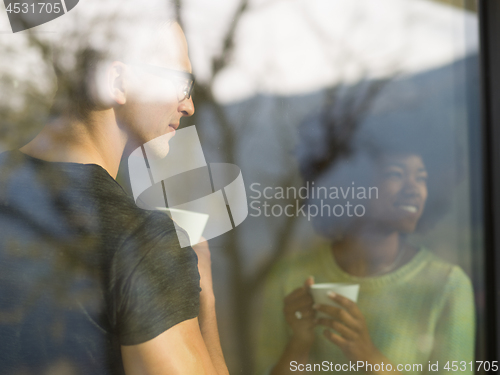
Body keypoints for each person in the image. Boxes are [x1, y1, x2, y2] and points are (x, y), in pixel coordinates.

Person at [0, 2, 229, 375]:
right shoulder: (141, 242)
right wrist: (206, 305)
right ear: (118, 82)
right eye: (180, 82)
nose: (187, 105)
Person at [255, 138, 475, 375]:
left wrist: (369, 356)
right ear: (354, 183)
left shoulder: (447, 285)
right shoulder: (290, 278)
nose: (414, 189)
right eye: (396, 174)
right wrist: (298, 345)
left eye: (421, 178)